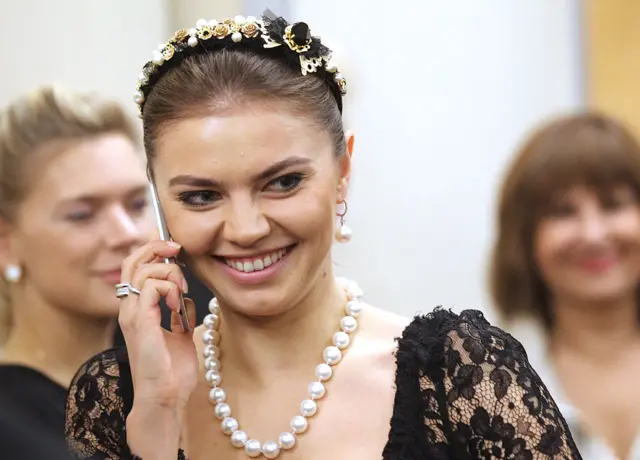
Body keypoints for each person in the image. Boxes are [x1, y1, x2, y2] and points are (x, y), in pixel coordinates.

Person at [64, 11, 582, 459]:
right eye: (201, 196)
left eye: (284, 183)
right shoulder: (115, 398)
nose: (246, 229)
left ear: (343, 173)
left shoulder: (462, 381)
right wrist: (157, 411)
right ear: (159, 199)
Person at [0, 86, 154, 459]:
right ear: (6, 244)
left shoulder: (184, 375)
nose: (126, 234)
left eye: (136, 204)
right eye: (82, 215)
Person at [490, 113, 640, 460]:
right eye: (563, 212)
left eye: (613, 204)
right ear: (524, 238)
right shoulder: (484, 379)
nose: (594, 234)